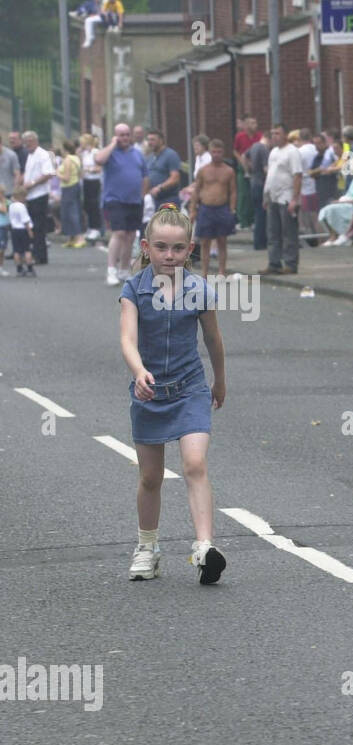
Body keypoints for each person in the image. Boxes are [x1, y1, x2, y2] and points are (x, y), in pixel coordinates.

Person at [119, 204, 227, 585]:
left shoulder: (200, 290)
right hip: (149, 393)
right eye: (161, 247)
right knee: (151, 477)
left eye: (178, 248)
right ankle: (147, 548)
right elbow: (127, 339)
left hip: (190, 389)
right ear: (146, 247)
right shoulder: (134, 289)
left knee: (195, 464)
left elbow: (213, 339)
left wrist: (220, 381)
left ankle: (204, 546)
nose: (170, 255)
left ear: (190, 249)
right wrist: (138, 371)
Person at [95, 123, 148, 285]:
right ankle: (111, 270)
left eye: (126, 135)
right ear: (115, 136)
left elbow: (145, 176)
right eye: (121, 135)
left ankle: (124, 270)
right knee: (119, 233)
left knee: (131, 236)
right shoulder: (110, 153)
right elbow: (99, 159)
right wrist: (112, 144)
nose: (124, 138)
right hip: (114, 199)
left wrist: (142, 195)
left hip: (134, 201)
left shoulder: (137, 154)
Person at [261, 123, 301, 275]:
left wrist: (294, 199)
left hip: (286, 197)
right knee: (273, 232)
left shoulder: (292, 152)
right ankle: (274, 262)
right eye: (272, 133)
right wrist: (266, 196)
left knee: (288, 232)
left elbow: (297, 175)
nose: (274, 136)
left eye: (277, 133)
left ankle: (290, 264)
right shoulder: (273, 152)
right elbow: (271, 175)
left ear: (285, 135)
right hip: (273, 197)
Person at [193, 139, 237, 278]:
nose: (216, 154)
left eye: (219, 152)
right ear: (210, 152)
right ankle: (204, 273)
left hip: (222, 208)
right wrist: (193, 209)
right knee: (205, 242)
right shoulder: (203, 170)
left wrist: (232, 209)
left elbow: (233, 191)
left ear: (223, 152)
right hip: (206, 208)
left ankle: (221, 272)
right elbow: (196, 190)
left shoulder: (229, 171)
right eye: (214, 152)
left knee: (222, 241)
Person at [20, 131, 54, 265]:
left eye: (29, 142)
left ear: (35, 140)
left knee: (39, 227)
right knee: (33, 226)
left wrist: (32, 183)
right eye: (25, 142)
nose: (27, 145)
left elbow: (48, 173)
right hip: (31, 195)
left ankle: (40, 255)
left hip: (39, 194)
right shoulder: (30, 155)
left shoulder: (42, 155)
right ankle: (37, 253)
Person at [318, 171, 353, 242]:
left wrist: (340, 202)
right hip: (344, 201)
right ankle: (333, 236)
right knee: (325, 211)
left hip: (351, 204)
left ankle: (343, 236)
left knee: (329, 210)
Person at [233, 115, 262, 228]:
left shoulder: (259, 136)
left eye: (255, 123)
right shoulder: (240, 136)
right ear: (246, 125)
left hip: (256, 168)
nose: (255, 125)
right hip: (243, 168)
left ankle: (253, 219)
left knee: (254, 193)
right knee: (243, 194)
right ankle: (243, 220)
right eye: (252, 123)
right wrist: (242, 161)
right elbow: (235, 151)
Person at [243, 132, 270, 250]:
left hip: (253, 182)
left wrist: (248, 170)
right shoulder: (263, 149)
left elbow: (243, 156)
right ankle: (260, 243)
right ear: (268, 139)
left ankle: (258, 242)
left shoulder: (254, 146)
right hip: (261, 184)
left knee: (257, 214)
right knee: (261, 215)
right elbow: (266, 169)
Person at [295, 127, 321, 246]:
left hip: (305, 186)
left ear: (299, 138)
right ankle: (319, 237)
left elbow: (297, 170)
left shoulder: (299, 152)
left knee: (306, 214)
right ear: (310, 137)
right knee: (316, 213)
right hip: (316, 183)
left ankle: (312, 237)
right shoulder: (316, 149)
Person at [57, 139, 85, 248]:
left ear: (64, 150)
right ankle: (72, 238)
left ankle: (78, 237)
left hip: (68, 188)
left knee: (70, 213)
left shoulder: (67, 160)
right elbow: (80, 174)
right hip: (76, 186)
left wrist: (57, 173)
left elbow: (66, 178)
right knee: (74, 211)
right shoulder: (76, 159)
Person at [144, 129, 182, 209]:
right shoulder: (149, 158)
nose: (150, 142)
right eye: (148, 140)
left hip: (169, 200)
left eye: (153, 140)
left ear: (161, 140)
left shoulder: (171, 155)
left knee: (168, 222)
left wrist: (159, 187)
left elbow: (175, 178)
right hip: (153, 201)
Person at [79, 133, 103, 242]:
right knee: (87, 204)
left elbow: (99, 168)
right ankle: (90, 227)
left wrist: (89, 170)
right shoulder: (85, 153)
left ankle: (96, 228)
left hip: (94, 181)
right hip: (86, 181)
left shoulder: (95, 152)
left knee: (94, 204)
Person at [6, 185, 34, 276]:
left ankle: (19, 269)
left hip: (14, 230)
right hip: (23, 230)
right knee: (27, 250)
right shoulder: (21, 206)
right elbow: (25, 220)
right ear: (21, 196)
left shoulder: (11, 206)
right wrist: (30, 231)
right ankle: (30, 268)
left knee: (17, 250)